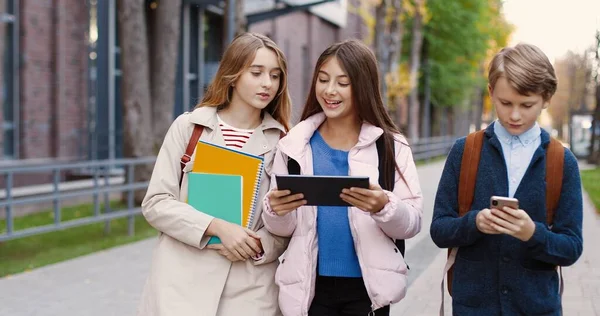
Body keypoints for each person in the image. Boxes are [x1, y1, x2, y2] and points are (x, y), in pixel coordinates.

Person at [261, 39, 423, 316]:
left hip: (367, 291)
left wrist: (384, 206)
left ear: (362, 86)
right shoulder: (293, 146)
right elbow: (283, 230)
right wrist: (275, 211)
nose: (330, 90)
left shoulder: (391, 146)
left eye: (342, 82)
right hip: (310, 290)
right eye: (323, 80)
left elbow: (413, 223)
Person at [137, 32, 292, 316]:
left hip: (250, 289)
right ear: (232, 75)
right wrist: (217, 226)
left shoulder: (285, 143)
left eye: (275, 75)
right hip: (181, 285)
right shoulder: (189, 128)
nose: (267, 83)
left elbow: (288, 221)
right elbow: (156, 202)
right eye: (256, 73)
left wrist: (259, 245)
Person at [430, 43, 583, 315]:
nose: (514, 115)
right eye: (505, 103)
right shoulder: (465, 151)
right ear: (491, 93)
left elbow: (570, 248)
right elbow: (439, 230)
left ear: (546, 98)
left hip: (537, 308)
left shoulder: (562, 161)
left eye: (527, 105)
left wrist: (532, 234)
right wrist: (474, 222)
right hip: (473, 308)